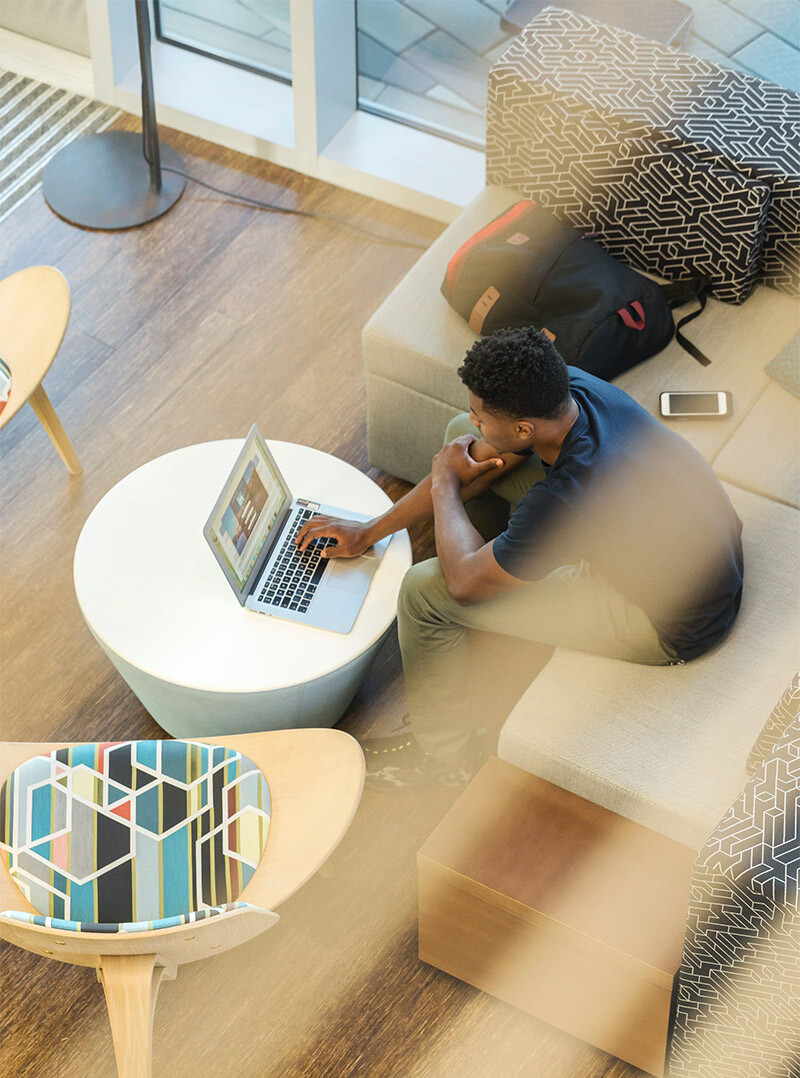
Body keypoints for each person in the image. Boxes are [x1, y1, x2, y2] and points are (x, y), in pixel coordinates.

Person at [296, 328, 744, 790]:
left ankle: (444, 758)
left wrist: (445, 485)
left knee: (424, 591)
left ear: (525, 429)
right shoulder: (570, 389)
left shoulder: (571, 492)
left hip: (669, 621)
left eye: (482, 414)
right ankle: (499, 567)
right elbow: (480, 451)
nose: (474, 419)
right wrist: (370, 531)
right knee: (458, 439)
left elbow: (462, 585)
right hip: (697, 552)